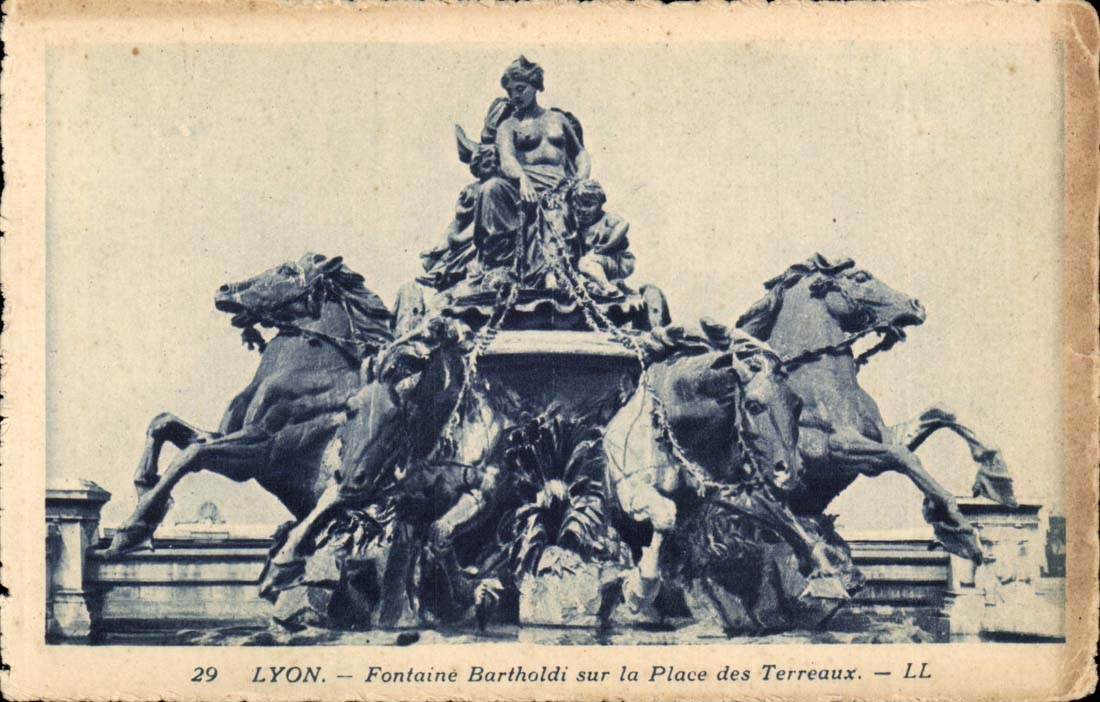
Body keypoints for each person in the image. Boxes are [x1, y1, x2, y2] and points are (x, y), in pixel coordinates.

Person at [472, 56, 590, 287]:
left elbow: (579, 153)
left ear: (536, 86)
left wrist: (580, 180)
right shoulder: (508, 125)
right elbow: (506, 159)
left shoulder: (558, 119)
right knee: (490, 189)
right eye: (511, 91)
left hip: (560, 185)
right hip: (524, 185)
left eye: (520, 89)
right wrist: (522, 179)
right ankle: (500, 267)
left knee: (559, 210)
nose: (515, 96)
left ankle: (554, 271)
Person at [567, 179, 634, 299]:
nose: (581, 209)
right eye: (577, 204)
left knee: (585, 263)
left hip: (617, 261)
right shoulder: (578, 226)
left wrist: (608, 245)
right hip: (596, 264)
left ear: (600, 204)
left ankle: (607, 287)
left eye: (588, 204)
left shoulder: (607, 219)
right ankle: (596, 287)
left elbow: (624, 225)